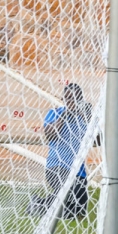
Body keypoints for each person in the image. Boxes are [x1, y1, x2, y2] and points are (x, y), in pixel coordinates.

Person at [32, 83, 93, 218]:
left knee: (78, 212)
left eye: (76, 98)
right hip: (57, 167)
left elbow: (97, 140)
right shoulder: (55, 113)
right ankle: (38, 205)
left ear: (81, 99)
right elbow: (50, 135)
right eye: (69, 98)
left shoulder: (84, 119)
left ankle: (40, 204)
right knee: (69, 190)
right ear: (63, 99)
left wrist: (90, 119)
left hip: (79, 171)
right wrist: (65, 114)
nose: (72, 101)